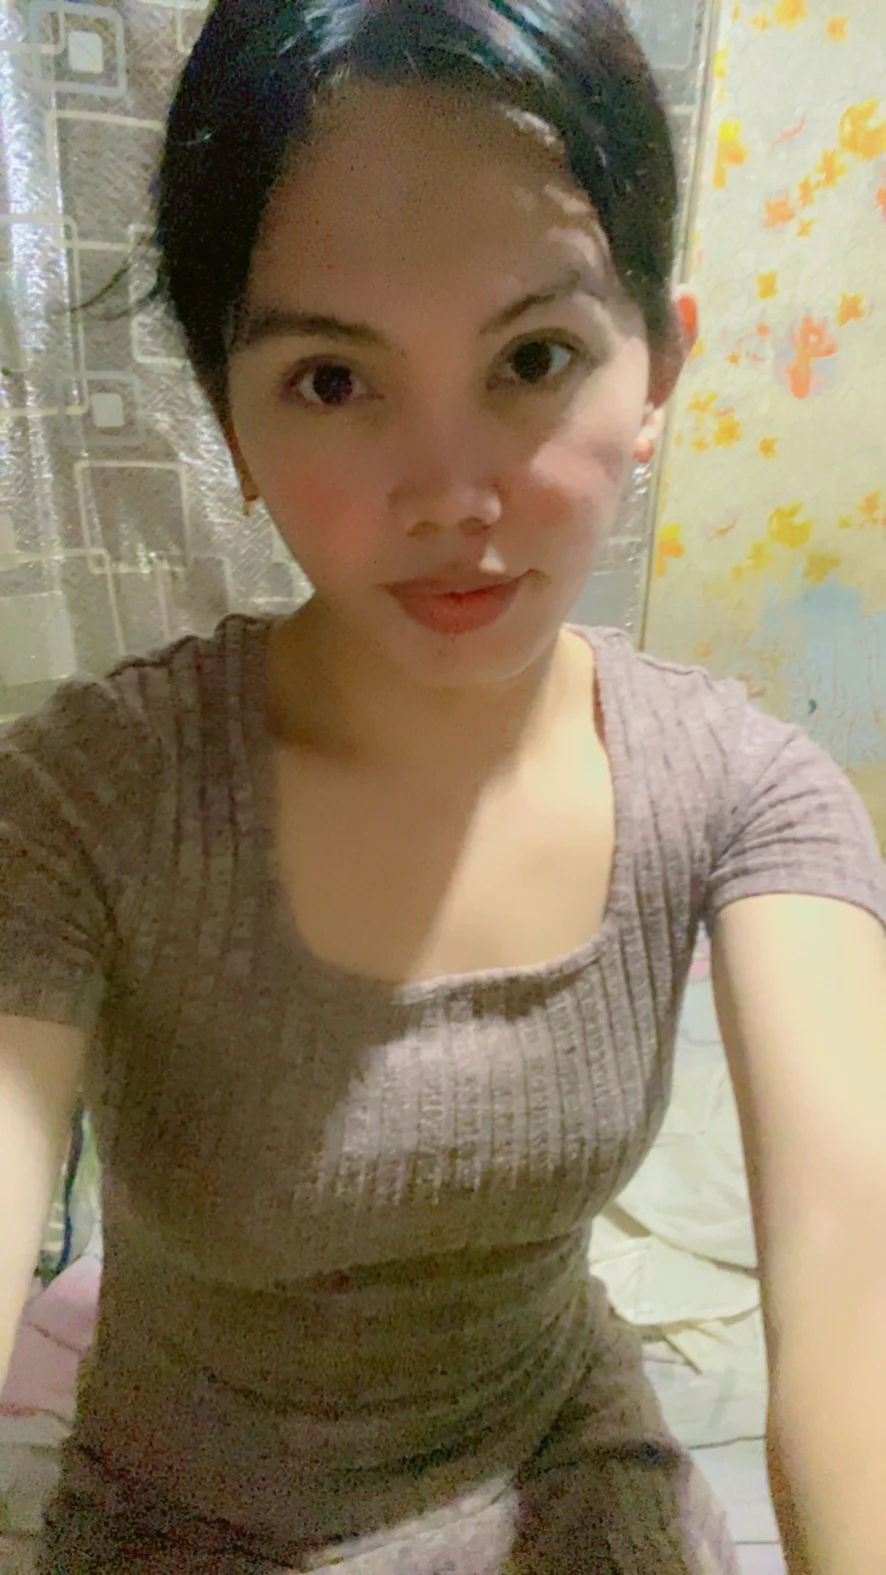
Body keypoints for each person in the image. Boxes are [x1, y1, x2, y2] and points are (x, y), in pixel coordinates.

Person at [1, 1, 885, 1570]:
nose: (453, 495)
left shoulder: (749, 794)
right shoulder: (92, 801)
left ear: (658, 366)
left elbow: (853, 1309)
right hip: (181, 1516)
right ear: (231, 425)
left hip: (561, 1472)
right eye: (333, 381)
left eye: (532, 359)